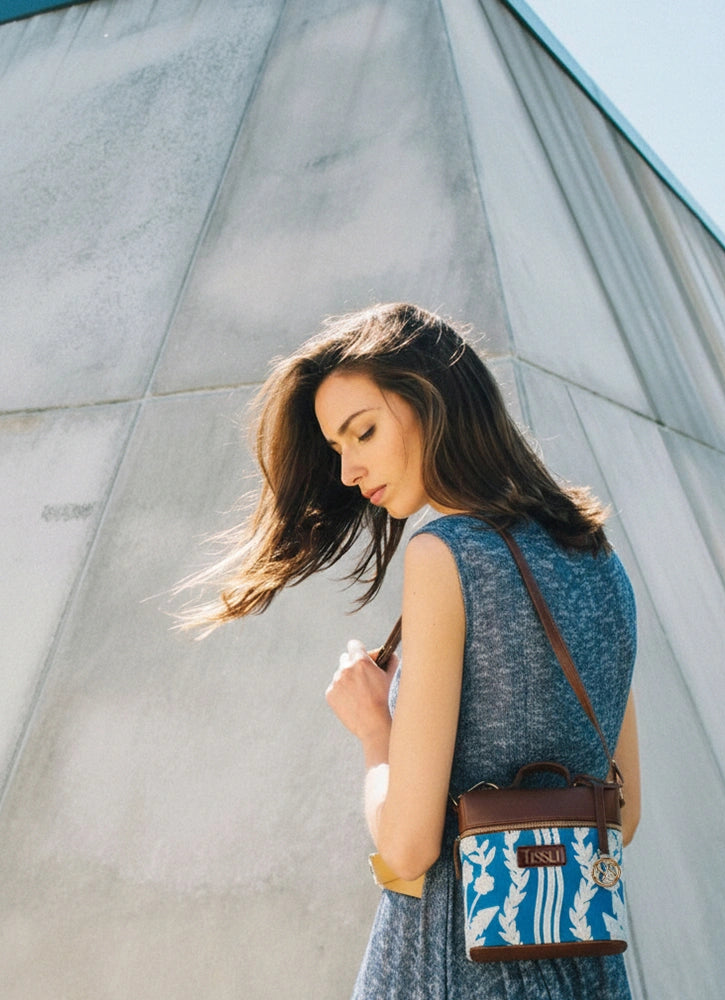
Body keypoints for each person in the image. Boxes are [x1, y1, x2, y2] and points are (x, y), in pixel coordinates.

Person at [184, 303, 640, 998]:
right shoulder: (597, 553)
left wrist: (376, 732)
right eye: (337, 448)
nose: (347, 471)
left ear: (432, 401)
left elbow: (407, 849)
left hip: (451, 964)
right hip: (587, 964)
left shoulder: (445, 552)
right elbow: (623, 815)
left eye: (363, 432)